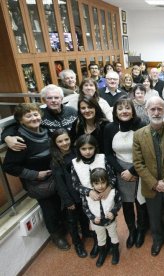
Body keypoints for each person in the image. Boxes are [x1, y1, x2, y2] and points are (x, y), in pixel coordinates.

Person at [3, 103, 69, 250]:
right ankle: (56, 235)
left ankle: (66, 227)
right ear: (21, 121)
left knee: (61, 203)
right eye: (28, 116)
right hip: (39, 182)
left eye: (36, 114)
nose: (34, 118)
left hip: (55, 176)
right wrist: (35, 175)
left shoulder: (45, 131)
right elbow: (9, 166)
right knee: (50, 210)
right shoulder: (19, 140)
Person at [132, 96, 164, 256]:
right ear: (146, 111)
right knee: (154, 217)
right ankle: (157, 239)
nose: (156, 112)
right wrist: (154, 183)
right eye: (152, 109)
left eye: (159, 109)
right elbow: (138, 163)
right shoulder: (139, 135)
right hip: (151, 186)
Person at [104, 97, 148, 249]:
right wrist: (122, 171)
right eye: (120, 108)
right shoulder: (109, 128)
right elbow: (108, 154)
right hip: (120, 170)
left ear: (132, 110)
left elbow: (146, 151)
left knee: (141, 202)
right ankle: (132, 231)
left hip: (140, 168)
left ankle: (141, 230)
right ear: (115, 112)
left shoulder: (141, 125)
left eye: (127, 108)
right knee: (127, 204)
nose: (124, 111)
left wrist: (133, 170)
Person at [71, 134, 117, 259]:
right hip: (90, 200)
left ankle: (112, 244)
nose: (87, 152)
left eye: (90, 148)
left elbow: (112, 177)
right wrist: (88, 192)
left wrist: (108, 189)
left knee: (109, 221)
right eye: (83, 149)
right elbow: (75, 184)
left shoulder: (102, 158)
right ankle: (99, 243)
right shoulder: (75, 163)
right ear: (79, 149)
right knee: (96, 223)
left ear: (95, 148)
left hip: (106, 196)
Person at [51, 128, 91, 258]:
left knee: (84, 215)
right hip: (70, 196)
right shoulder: (56, 161)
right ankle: (77, 244)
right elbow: (60, 184)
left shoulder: (76, 152)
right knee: (73, 222)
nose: (64, 143)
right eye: (60, 141)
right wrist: (68, 201)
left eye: (66, 139)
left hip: (82, 192)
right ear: (55, 143)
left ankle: (86, 232)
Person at [2, 84, 77, 151]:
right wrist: (7, 138)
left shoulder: (72, 111)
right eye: (49, 98)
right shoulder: (39, 115)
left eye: (56, 97)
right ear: (44, 100)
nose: (53, 100)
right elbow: (14, 126)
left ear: (61, 99)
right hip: (53, 152)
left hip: (73, 149)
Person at [83, 168, 121, 267]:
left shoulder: (113, 192)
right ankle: (102, 254)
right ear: (92, 184)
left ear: (107, 181)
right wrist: (92, 217)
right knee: (100, 239)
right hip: (97, 223)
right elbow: (85, 208)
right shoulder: (87, 195)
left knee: (113, 236)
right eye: (96, 183)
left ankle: (115, 252)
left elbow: (118, 203)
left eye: (103, 182)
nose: (100, 186)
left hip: (110, 222)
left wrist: (113, 212)